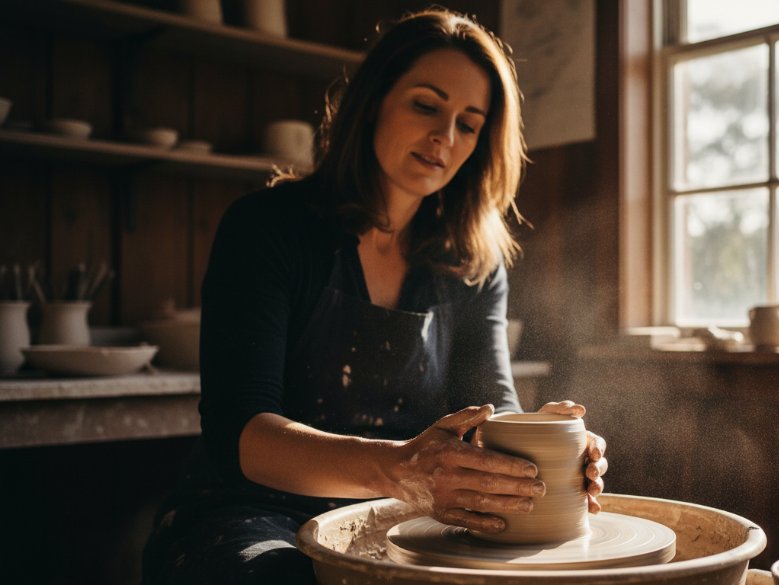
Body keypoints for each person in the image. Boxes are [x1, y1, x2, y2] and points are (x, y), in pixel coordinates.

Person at [141, 8, 608, 585]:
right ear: (373, 102)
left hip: (401, 519)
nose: (445, 136)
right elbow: (244, 433)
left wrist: (547, 450)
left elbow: (490, 407)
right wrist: (397, 467)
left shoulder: (470, 263)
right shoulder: (268, 227)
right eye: (426, 104)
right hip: (248, 512)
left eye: (469, 122)